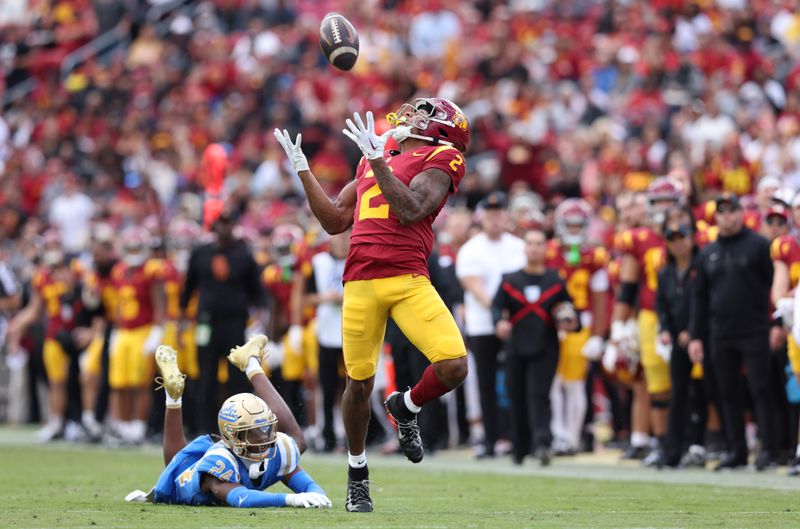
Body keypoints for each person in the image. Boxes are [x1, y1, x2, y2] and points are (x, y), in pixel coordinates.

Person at [274, 97, 470, 512]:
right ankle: (357, 474)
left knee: (454, 364)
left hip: (407, 277)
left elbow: (410, 208)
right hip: (360, 280)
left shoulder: (444, 156)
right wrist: (303, 170)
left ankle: (406, 405)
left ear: (446, 127)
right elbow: (333, 221)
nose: (414, 115)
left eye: (427, 113)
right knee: (358, 384)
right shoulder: (375, 157)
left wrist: (377, 158)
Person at [125, 335, 331, 508]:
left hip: (223, 457)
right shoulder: (222, 461)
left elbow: (312, 491)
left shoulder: (275, 453)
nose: (263, 437)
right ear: (231, 436)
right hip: (182, 484)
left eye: (265, 428)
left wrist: (315, 496)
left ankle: (250, 364)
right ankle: (174, 398)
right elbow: (240, 497)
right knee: (175, 465)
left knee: (297, 441)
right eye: (252, 432)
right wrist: (289, 499)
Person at [689, 192, 777, 470]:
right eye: (722, 212)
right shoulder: (708, 253)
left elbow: (774, 287)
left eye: (732, 211)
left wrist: (775, 324)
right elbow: (700, 298)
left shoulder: (759, 246)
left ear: (741, 213)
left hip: (754, 329)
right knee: (727, 392)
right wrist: (696, 336)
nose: (728, 217)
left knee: (761, 389)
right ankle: (736, 450)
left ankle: (769, 449)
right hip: (721, 332)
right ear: (716, 217)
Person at [492, 229, 579, 466]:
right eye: (530, 243)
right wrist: (499, 321)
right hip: (516, 347)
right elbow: (496, 306)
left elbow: (570, 310)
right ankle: (519, 448)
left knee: (539, 396)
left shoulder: (555, 280)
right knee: (516, 396)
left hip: (545, 346)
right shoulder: (510, 280)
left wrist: (568, 320)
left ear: (546, 248)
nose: (534, 248)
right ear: (524, 247)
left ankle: (542, 444)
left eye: (539, 243)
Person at [180, 209, 266, 435]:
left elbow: (257, 290)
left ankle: (236, 426)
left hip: (234, 323)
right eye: (221, 223)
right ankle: (203, 429)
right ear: (214, 227)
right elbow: (188, 288)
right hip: (206, 322)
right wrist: (181, 321)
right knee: (205, 376)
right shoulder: (200, 254)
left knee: (236, 378)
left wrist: (259, 319)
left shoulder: (243, 254)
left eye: (229, 223)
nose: (225, 228)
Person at [456, 191, 525, 458]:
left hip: (513, 323)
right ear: (482, 218)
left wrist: (508, 316)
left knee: (512, 380)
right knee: (484, 382)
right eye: (490, 215)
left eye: (499, 215)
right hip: (484, 324)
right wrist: (499, 313)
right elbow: (475, 287)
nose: (495, 220)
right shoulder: (472, 249)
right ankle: (490, 437)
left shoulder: (517, 246)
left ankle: (513, 435)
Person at [545, 198, 609, 455]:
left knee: (574, 383)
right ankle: (558, 434)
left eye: (577, 226)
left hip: (580, 324)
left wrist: (598, 335)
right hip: (552, 323)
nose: (573, 231)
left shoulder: (594, 256)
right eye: (569, 226)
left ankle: (571, 437)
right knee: (553, 383)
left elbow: (601, 298)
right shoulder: (549, 251)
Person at [655, 212, 704, 468]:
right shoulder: (666, 273)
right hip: (678, 339)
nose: (677, 244)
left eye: (681, 238)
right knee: (678, 393)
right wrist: (666, 329)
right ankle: (673, 449)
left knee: (705, 390)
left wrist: (694, 331)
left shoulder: (701, 266)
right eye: (672, 239)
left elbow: (703, 302)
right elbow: (662, 305)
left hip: (701, 338)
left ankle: (702, 443)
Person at [306, 231, 349, 452]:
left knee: (356, 384)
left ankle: (358, 432)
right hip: (327, 329)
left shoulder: (356, 258)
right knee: (327, 384)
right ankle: (328, 434)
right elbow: (308, 295)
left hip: (352, 328)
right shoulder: (319, 262)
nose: (342, 241)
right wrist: (327, 298)